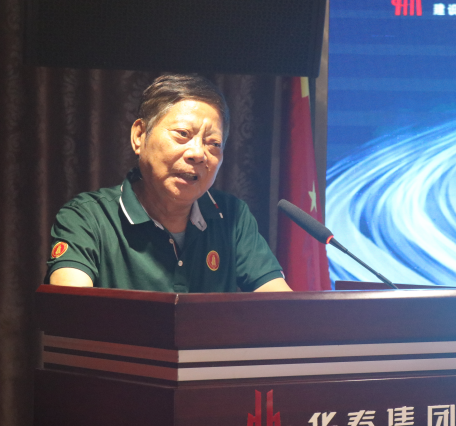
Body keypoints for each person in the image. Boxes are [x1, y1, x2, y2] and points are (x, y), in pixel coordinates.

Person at [46, 74, 292, 293]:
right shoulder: (88, 217)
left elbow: (282, 310)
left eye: (213, 143)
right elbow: (71, 312)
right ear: (139, 136)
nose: (198, 153)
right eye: (183, 134)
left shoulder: (231, 216)